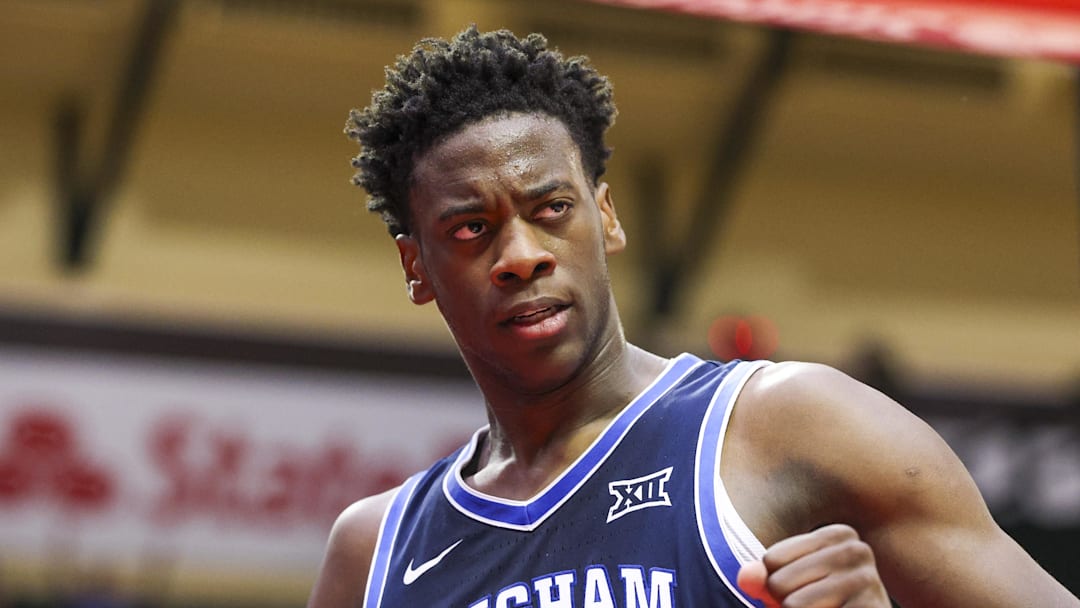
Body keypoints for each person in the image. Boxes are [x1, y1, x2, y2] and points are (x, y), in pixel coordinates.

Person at [308, 26, 1079, 608]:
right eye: (471, 229)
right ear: (417, 268)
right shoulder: (375, 554)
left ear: (605, 219)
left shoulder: (796, 426)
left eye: (551, 209)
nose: (521, 254)